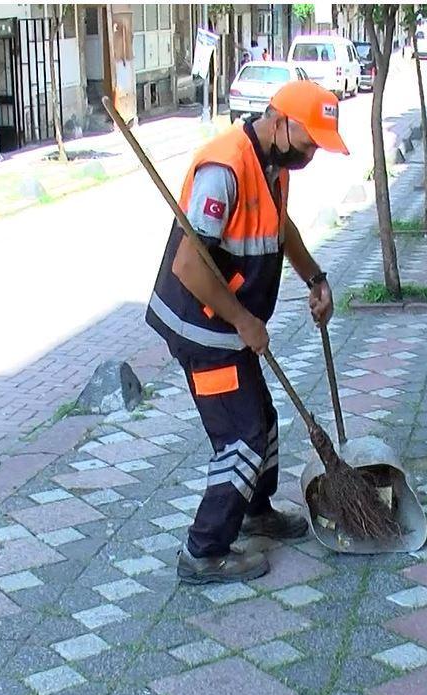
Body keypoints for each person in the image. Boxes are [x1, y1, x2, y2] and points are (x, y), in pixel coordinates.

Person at [146, 81, 348, 584]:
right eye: (308, 143)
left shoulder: (273, 166)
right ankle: (204, 550)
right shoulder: (225, 169)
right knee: (242, 439)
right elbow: (189, 265)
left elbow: (281, 228)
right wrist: (242, 320)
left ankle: (256, 512)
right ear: (278, 122)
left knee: (264, 420)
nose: (311, 155)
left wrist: (315, 278)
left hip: (232, 328)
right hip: (202, 330)